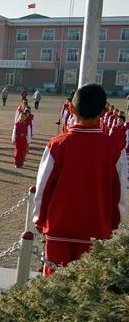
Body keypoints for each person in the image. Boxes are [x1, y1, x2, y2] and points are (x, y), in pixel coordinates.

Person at [34, 83, 127, 277]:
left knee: (54, 287)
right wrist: (112, 224)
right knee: (87, 287)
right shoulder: (114, 149)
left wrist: (40, 220)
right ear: (103, 112)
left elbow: (43, 188)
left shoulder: (57, 145)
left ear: (71, 109)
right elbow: (120, 192)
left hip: (58, 230)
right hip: (97, 230)